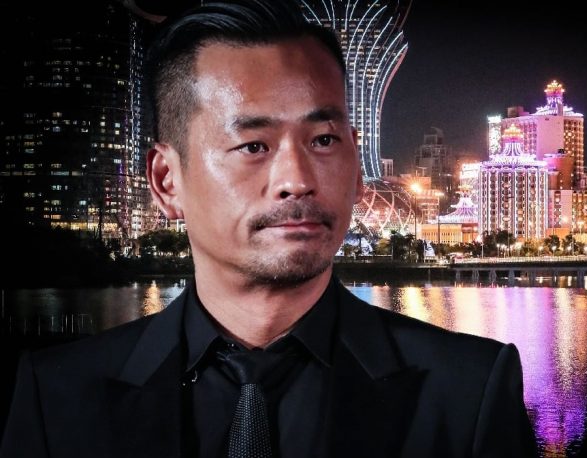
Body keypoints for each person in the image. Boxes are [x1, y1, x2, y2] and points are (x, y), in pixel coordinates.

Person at [0, 1, 537, 456]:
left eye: (323, 140)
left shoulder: (467, 391)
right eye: (253, 146)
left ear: (355, 159)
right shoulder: (59, 398)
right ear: (166, 180)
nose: (297, 180)